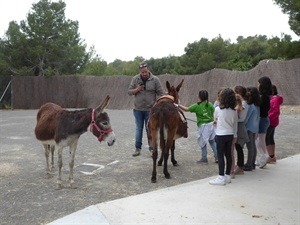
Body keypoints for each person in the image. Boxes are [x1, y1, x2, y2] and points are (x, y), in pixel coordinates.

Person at [128, 61, 164, 156]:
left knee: (150, 129)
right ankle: (137, 149)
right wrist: (137, 89)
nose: (144, 74)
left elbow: (161, 93)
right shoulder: (135, 79)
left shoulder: (155, 80)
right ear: (140, 71)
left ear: (148, 70)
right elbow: (129, 91)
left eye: (146, 72)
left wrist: (156, 103)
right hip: (138, 109)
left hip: (151, 110)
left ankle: (152, 148)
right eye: (142, 72)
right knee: (138, 129)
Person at [178, 90, 218, 164]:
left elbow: (186, 109)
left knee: (202, 143)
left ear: (199, 97)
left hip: (203, 127)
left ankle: (204, 158)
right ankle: (217, 157)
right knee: (212, 142)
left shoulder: (197, 106)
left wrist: (178, 105)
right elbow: (214, 115)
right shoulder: (210, 104)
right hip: (211, 125)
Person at [209, 88, 238, 185]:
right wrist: (235, 136)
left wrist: (215, 123)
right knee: (229, 155)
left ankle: (221, 177)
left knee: (220, 156)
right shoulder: (234, 111)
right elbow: (235, 126)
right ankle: (227, 176)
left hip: (220, 135)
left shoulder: (217, 109)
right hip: (230, 135)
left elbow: (216, 120)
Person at [256, 76, 272, 168]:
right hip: (264, 119)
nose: (258, 85)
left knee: (258, 140)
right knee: (260, 139)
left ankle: (263, 155)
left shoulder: (262, 97)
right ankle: (262, 157)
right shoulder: (266, 96)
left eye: (259, 83)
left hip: (262, 119)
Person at [232, 86, 249, 176]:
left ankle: (240, 166)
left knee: (239, 147)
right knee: (238, 147)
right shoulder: (242, 103)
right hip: (238, 126)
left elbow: (237, 111)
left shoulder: (243, 104)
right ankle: (239, 165)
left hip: (240, 126)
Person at [243, 86, 261, 171]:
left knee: (250, 147)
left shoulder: (250, 106)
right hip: (255, 128)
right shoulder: (257, 105)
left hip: (249, 128)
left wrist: (243, 124)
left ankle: (249, 164)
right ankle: (252, 163)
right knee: (253, 146)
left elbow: (246, 118)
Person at [266, 85, 283, 163]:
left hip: (271, 121)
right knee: (270, 138)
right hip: (274, 121)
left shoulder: (274, 99)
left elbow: (276, 111)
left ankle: (271, 156)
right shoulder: (275, 99)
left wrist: (268, 118)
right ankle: (272, 156)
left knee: (267, 138)